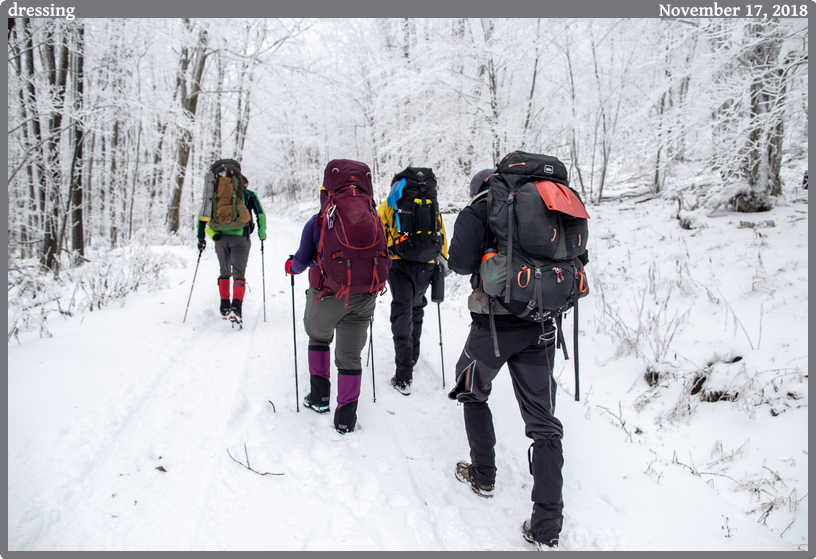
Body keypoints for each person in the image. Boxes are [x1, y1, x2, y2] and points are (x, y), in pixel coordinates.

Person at [447, 168, 571, 550]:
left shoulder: (479, 209)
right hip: (542, 325)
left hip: (494, 329)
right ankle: (547, 523)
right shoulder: (548, 203)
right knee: (543, 422)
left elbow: (459, 263)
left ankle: (483, 473)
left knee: (469, 387)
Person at [285, 159, 388, 435]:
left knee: (318, 336)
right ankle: (345, 419)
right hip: (364, 297)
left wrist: (290, 266)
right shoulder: (374, 217)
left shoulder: (319, 220)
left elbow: (300, 262)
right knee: (351, 356)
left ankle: (319, 398)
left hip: (326, 297)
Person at [377, 169, 448, 396]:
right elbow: (441, 233)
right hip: (426, 263)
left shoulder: (391, 202)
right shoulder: (431, 202)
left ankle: (403, 376)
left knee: (401, 311)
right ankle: (413, 356)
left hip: (399, 263)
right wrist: (441, 262)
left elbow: (377, 229)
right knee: (417, 307)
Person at [197, 159, 266, 322]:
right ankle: (236, 308)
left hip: (220, 238)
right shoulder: (248, 194)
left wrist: (201, 237)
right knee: (239, 274)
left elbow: (203, 216)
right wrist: (262, 235)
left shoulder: (215, 195)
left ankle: (224, 305)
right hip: (241, 237)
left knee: (224, 271)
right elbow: (261, 215)